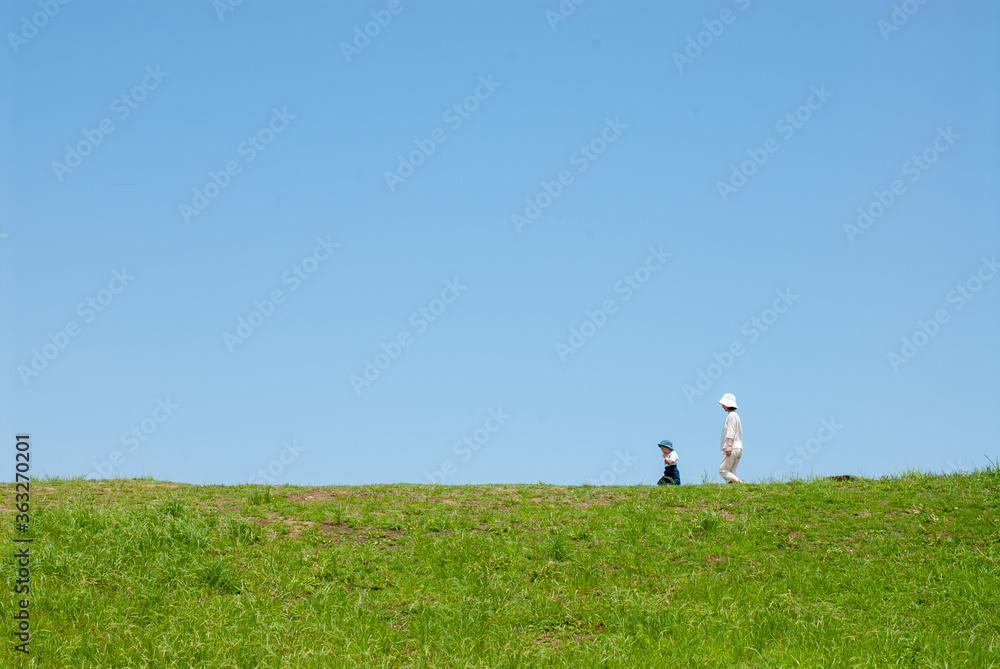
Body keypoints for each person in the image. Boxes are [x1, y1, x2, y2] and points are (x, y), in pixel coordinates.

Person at [717, 393, 743, 483]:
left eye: (724, 404)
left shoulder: (731, 416)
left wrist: (729, 446)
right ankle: (735, 488)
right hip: (738, 448)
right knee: (731, 472)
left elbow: (731, 431)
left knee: (723, 470)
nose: (723, 406)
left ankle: (742, 484)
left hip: (732, 447)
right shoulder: (736, 416)